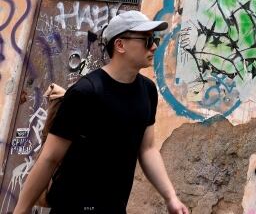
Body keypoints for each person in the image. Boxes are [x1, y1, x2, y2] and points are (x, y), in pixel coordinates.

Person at [13, 11, 189, 214]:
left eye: (155, 39)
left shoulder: (148, 91)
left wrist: (171, 197)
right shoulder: (86, 92)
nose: (154, 46)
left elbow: (147, 149)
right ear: (120, 45)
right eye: (147, 40)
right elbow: (50, 157)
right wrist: (21, 210)